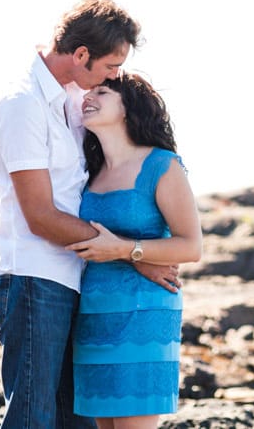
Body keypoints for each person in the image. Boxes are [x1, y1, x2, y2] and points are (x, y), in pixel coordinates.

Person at [0, 0, 180, 429]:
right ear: (81, 54)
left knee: (77, 420)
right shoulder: (22, 105)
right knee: (33, 415)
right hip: (30, 275)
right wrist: (132, 255)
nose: (116, 75)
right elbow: (41, 215)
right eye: (111, 65)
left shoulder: (72, 101)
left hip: (70, 276)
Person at [66, 71, 202, 429]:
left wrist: (127, 251)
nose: (88, 98)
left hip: (143, 316)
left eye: (103, 92)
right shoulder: (87, 171)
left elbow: (191, 246)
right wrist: (130, 255)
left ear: (128, 108)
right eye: (88, 92)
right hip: (93, 317)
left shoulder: (162, 165)